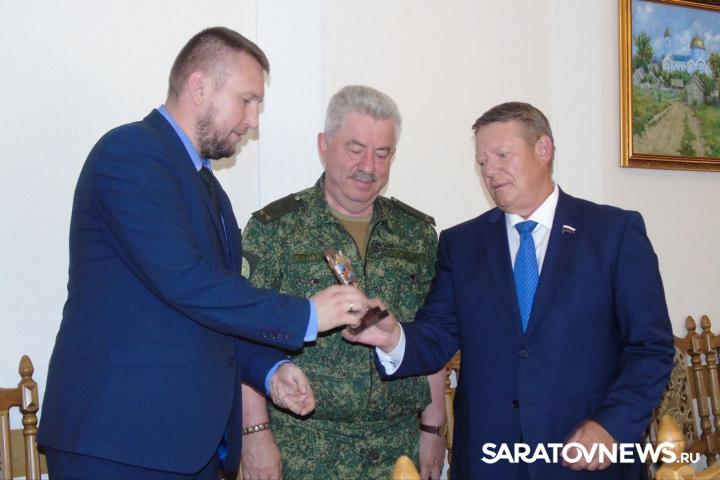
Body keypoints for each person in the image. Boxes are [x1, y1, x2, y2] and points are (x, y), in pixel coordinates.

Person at [38, 27, 367, 479]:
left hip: (187, 446)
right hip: (119, 442)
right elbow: (188, 282)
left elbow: (213, 310)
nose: (253, 121)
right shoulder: (130, 153)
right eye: (246, 100)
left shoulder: (209, 189)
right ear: (199, 87)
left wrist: (268, 369)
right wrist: (306, 315)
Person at [345, 102, 675, 479]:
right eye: (482, 162)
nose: (490, 171)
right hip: (490, 460)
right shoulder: (462, 244)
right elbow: (438, 334)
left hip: (586, 458)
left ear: (543, 149)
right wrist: (393, 338)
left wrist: (611, 427)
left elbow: (651, 348)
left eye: (502, 155)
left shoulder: (613, 233)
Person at [239, 85, 447, 480]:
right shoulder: (275, 230)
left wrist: (433, 428)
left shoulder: (416, 235)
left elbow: (431, 336)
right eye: (356, 149)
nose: (368, 166)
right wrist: (254, 434)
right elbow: (244, 336)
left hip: (396, 448)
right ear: (324, 146)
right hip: (304, 450)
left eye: (382, 153)